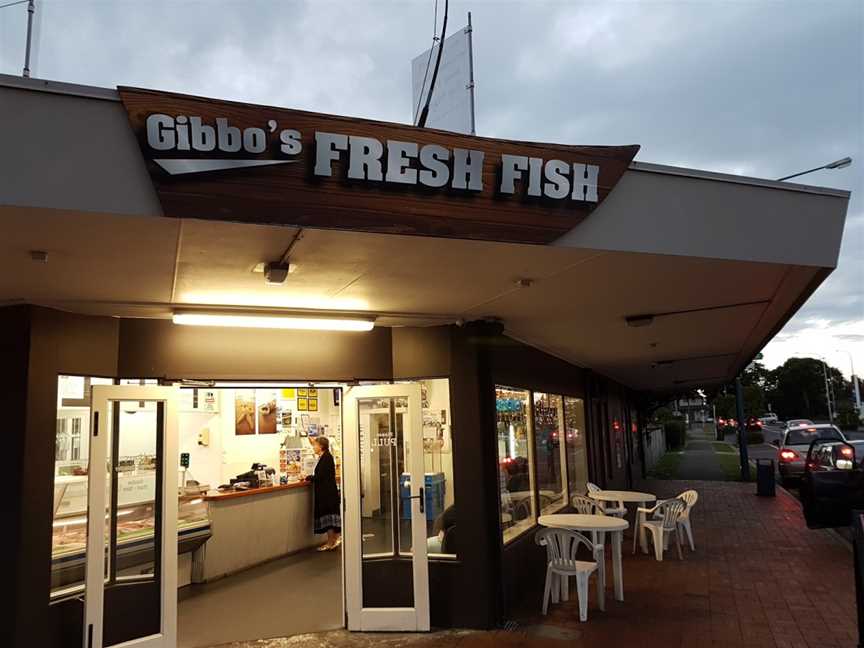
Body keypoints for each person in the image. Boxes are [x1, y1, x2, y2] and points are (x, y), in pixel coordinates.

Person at [306, 436, 341, 551]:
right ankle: (334, 540)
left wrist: (308, 477)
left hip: (327, 494)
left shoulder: (326, 458)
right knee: (331, 517)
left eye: (315, 445)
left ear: (321, 446)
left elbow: (320, 476)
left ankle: (330, 542)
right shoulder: (326, 457)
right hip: (329, 492)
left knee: (328, 518)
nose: (313, 448)